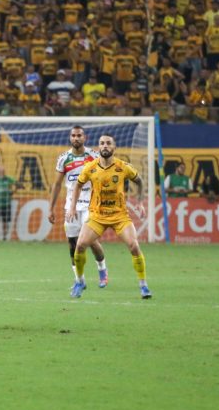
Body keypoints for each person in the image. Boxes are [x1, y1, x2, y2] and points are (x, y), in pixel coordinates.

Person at [71, 134, 152, 299]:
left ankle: (143, 285)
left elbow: (140, 181)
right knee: (79, 246)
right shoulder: (90, 168)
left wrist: (141, 202)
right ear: (98, 147)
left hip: (119, 216)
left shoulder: (123, 167)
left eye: (108, 143)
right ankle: (80, 281)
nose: (105, 146)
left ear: (114, 148)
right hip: (97, 216)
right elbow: (77, 185)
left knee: (134, 246)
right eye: (102, 143)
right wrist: (72, 206)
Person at [50, 126, 108, 295]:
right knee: (73, 243)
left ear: (85, 137)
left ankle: (102, 270)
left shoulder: (94, 156)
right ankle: (79, 280)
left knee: (89, 240)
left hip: (90, 204)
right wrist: (51, 208)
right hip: (71, 206)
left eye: (79, 135)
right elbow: (57, 184)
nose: (76, 138)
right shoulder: (64, 158)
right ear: (70, 138)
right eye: (73, 135)